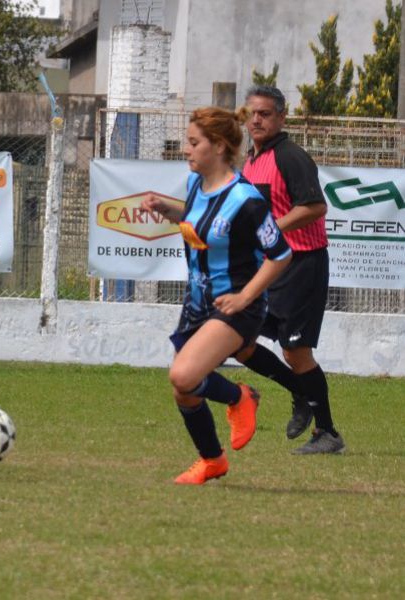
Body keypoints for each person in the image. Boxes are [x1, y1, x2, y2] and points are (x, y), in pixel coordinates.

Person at [142, 106, 291, 485]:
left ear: (220, 146)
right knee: (184, 390)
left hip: (237, 306)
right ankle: (212, 461)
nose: (186, 150)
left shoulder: (247, 199)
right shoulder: (196, 186)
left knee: (184, 374)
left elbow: (281, 255)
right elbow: (201, 222)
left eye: (194, 143)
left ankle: (241, 397)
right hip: (198, 304)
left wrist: (245, 298)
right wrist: (168, 210)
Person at [235, 85, 344, 455]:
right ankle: (299, 390)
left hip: (303, 265)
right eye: (252, 113)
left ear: (282, 117)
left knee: (296, 353)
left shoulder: (290, 157)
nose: (256, 120)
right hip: (271, 267)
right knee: (240, 340)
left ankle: (328, 433)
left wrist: (272, 228)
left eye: (265, 113)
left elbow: (314, 207)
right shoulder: (251, 160)